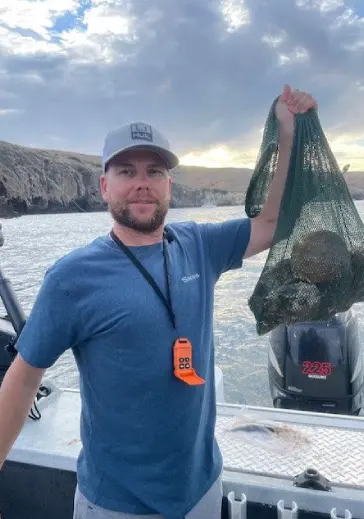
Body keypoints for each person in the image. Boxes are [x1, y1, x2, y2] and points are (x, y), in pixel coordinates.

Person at [0, 84, 317, 519]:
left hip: (202, 491)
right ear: (103, 186)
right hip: (117, 506)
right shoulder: (72, 277)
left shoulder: (199, 244)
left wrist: (286, 132)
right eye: (127, 172)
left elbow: (271, 222)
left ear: (169, 184)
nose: (142, 184)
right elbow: (21, 380)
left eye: (154, 172)